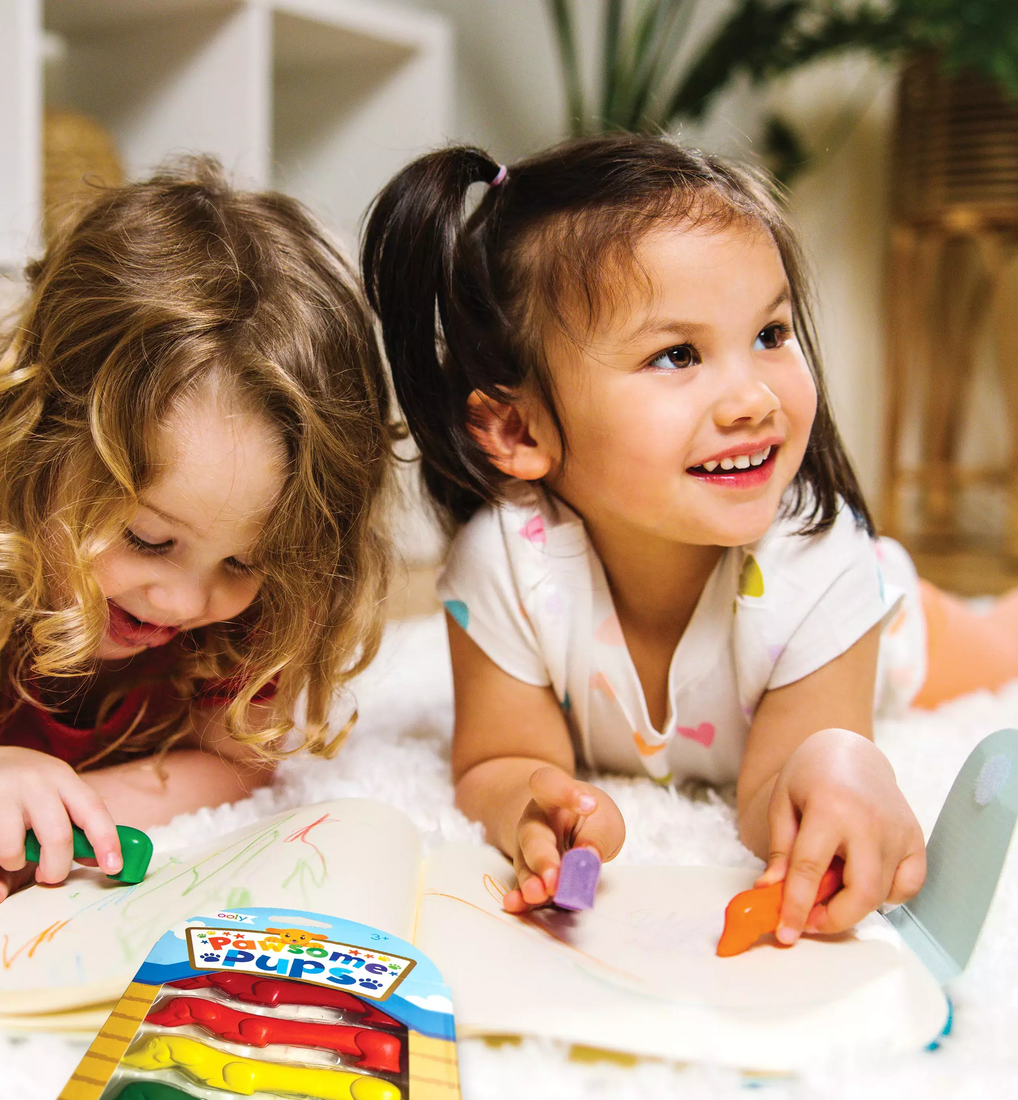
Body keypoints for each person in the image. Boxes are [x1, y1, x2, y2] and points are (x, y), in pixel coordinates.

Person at [362, 135, 1018, 944]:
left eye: (771, 335)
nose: (751, 398)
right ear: (516, 427)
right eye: (678, 354)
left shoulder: (820, 567)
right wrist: (535, 807)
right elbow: (495, 761)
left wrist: (838, 770)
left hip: (879, 613)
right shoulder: (504, 567)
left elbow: (770, 787)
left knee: (997, 640)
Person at [0, 157, 392, 915]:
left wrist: (54, 814)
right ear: (38, 450)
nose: (185, 599)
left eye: (244, 561)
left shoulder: (239, 611)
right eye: (150, 540)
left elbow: (239, 767)